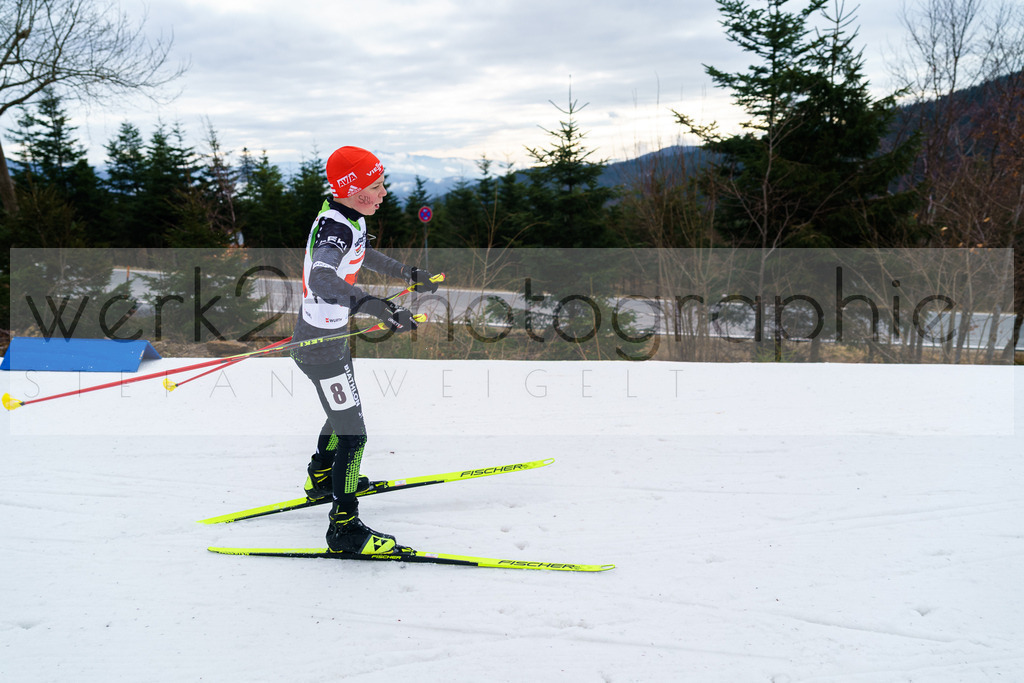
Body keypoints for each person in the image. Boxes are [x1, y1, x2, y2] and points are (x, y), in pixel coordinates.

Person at [291, 146, 438, 555]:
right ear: (354, 190)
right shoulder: (334, 228)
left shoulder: (346, 218)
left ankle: (322, 479)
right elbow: (322, 277)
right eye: (376, 186)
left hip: (329, 340)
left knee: (343, 418)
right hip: (319, 346)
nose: (384, 192)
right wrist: (376, 305)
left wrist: (406, 274)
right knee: (354, 434)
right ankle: (345, 530)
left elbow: (362, 253)